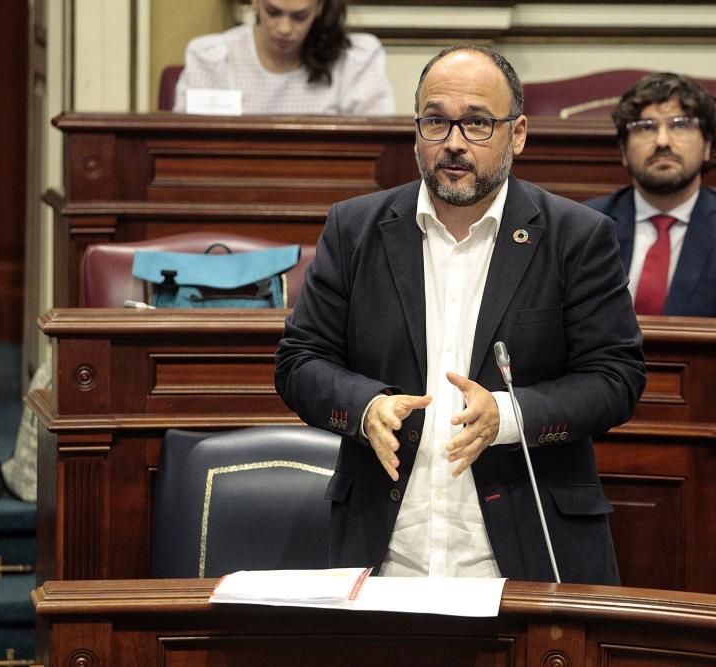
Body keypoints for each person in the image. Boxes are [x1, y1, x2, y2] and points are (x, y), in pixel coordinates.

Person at [275, 45, 647, 584]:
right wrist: (364, 408)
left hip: (526, 554)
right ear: (416, 129)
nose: (453, 143)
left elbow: (617, 379)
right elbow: (300, 362)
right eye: (436, 122)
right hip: (386, 554)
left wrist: (509, 415)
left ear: (516, 133)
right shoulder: (354, 229)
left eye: (477, 123)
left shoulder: (576, 237)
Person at [585, 72, 716, 319]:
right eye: (645, 128)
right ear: (624, 151)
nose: (662, 141)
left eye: (680, 125)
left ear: (707, 146)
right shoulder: (584, 226)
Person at [173, 0, 395, 115]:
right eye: (273, 12)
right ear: (256, 2)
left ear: (319, 8)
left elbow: (376, 147)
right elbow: (188, 144)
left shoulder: (354, 58)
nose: (284, 28)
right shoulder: (212, 57)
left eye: (300, 17)